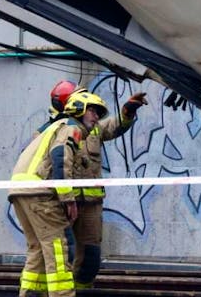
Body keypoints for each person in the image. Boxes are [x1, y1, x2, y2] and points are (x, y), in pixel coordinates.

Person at [9, 89, 110, 297]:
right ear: (79, 109)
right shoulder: (71, 128)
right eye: (93, 111)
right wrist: (68, 199)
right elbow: (59, 157)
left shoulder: (54, 127)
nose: (96, 116)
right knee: (60, 248)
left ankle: (31, 293)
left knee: (37, 248)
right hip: (41, 194)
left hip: (22, 191)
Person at [70, 90, 148, 289]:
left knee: (90, 258)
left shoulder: (95, 129)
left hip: (91, 206)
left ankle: (82, 291)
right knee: (63, 255)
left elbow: (114, 126)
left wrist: (128, 111)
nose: (96, 116)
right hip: (64, 204)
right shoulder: (58, 130)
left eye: (97, 112)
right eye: (92, 111)